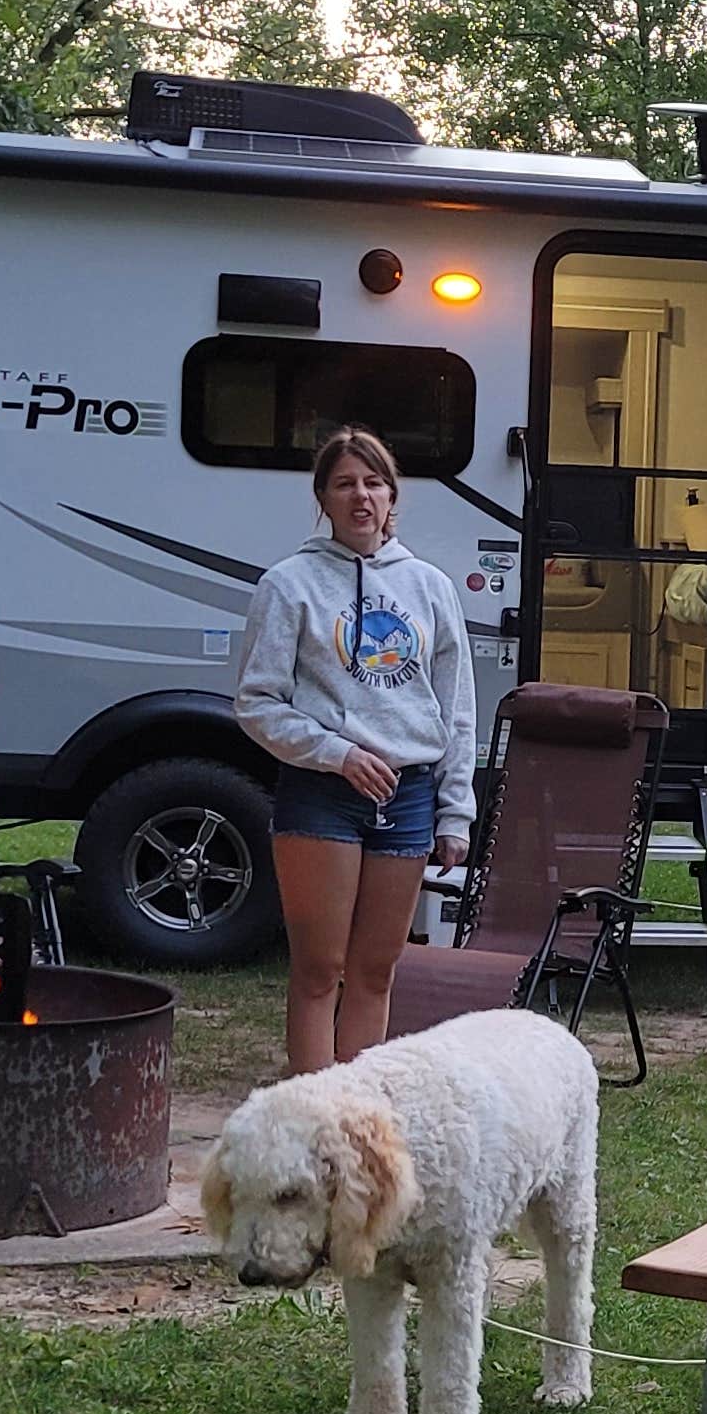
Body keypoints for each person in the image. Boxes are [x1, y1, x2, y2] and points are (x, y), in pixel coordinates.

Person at [234, 427, 479, 1073]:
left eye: (373, 482)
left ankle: (357, 1116)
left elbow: (455, 709)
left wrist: (456, 811)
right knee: (321, 969)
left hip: (409, 795)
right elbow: (256, 702)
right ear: (324, 498)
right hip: (323, 795)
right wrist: (335, 752)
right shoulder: (290, 585)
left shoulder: (430, 587)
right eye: (345, 484)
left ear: (393, 495)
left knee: (375, 971)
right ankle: (312, 1113)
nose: (361, 496)